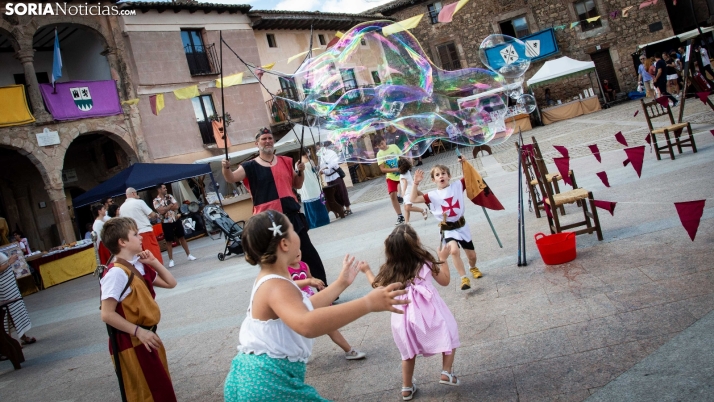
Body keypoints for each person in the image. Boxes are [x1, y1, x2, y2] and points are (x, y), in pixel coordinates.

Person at [223, 210, 408, 401]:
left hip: (255, 379)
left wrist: (341, 283)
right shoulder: (276, 286)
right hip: (266, 383)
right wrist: (367, 303)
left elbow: (305, 306)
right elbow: (307, 323)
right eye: (293, 229)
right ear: (284, 244)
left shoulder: (273, 280)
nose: (298, 234)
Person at [359, 224, 460, 400]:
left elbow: (377, 286)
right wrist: (443, 258)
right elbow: (445, 281)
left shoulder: (390, 269)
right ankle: (446, 372)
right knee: (449, 333)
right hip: (430, 312)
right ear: (416, 242)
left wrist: (367, 270)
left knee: (408, 353)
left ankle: (406, 388)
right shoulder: (426, 261)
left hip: (402, 318)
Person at [221, 127, 329, 286]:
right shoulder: (249, 166)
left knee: (307, 252)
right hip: (268, 219)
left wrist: (301, 171)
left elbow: (297, 185)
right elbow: (231, 178)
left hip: (291, 214)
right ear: (257, 143)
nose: (267, 141)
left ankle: (323, 287)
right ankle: (287, 293)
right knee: (275, 259)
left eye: (270, 138)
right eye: (264, 139)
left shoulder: (286, 161)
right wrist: (225, 168)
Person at [99, 217, 177, 402]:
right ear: (122, 242)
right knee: (146, 394)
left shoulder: (138, 265)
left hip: (147, 337)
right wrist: (138, 331)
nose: (140, 237)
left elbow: (170, 283)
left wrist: (153, 262)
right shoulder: (116, 273)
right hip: (131, 341)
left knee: (161, 390)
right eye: (135, 234)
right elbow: (106, 313)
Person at [410, 164, 482, 291]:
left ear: (449, 176)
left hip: (461, 226)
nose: (441, 176)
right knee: (454, 251)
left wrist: (463, 162)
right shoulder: (432, 195)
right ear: (433, 180)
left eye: (443, 173)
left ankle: (473, 267)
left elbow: (470, 175)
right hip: (448, 229)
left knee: (472, 256)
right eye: (437, 175)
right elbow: (413, 198)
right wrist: (415, 183)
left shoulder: (458, 186)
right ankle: (463, 278)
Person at [288, 251, 366, 360]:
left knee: (329, 326)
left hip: (311, 299)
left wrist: (318, 285)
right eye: (293, 249)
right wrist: (309, 281)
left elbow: (311, 279)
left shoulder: (304, 265)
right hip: (298, 304)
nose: (297, 251)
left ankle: (349, 350)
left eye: (298, 248)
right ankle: (295, 356)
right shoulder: (284, 269)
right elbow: (289, 284)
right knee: (297, 333)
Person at [0, 251, 37, 359]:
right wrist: (10, 262)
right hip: (4, 288)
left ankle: (22, 336)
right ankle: (9, 343)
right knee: (7, 312)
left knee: (16, 310)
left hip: (8, 284)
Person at [153, 183, 197, 268]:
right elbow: (161, 211)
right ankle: (171, 260)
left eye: (165, 188)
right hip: (166, 222)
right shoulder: (156, 200)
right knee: (169, 241)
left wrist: (166, 208)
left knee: (182, 237)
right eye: (164, 188)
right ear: (159, 190)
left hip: (175, 219)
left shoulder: (169, 196)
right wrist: (170, 206)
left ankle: (189, 254)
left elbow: (176, 206)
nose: (166, 189)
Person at [119, 187, 163, 265]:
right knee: (153, 253)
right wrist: (156, 215)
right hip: (145, 231)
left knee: (140, 257)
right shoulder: (139, 202)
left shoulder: (122, 208)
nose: (137, 194)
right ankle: (159, 271)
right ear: (133, 193)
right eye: (136, 193)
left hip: (132, 235)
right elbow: (152, 214)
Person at [375, 134, 404, 225]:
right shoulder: (379, 154)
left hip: (402, 174)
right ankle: (400, 216)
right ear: (377, 146)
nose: (382, 146)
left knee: (412, 192)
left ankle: (426, 200)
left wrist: (405, 166)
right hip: (391, 176)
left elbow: (402, 157)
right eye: (379, 146)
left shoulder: (394, 147)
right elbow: (383, 169)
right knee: (392, 196)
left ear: (385, 140)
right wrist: (395, 169)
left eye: (382, 143)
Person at [297, 150, 330, 229]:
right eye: (307, 153)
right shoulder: (310, 161)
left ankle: (312, 222)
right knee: (318, 202)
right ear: (306, 153)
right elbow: (315, 172)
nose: (308, 154)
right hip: (312, 183)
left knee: (310, 203)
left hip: (305, 185)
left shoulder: (297, 163)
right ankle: (322, 220)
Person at [318, 143, 352, 216]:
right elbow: (321, 167)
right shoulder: (320, 157)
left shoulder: (331, 153)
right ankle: (340, 209)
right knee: (334, 195)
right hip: (328, 178)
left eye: (319, 148)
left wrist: (326, 167)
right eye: (317, 149)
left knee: (342, 192)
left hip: (335, 175)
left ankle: (348, 208)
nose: (318, 150)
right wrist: (322, 171)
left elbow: (334, 163)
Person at [398, 159, 427, 224]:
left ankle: (422, 210)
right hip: (411, 190)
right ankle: (407, 222)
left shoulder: (402, 175)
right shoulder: (407, 171)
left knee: (408, 208)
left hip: (408, 193)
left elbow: (405, 183)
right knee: (406, 208)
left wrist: (403, 192)